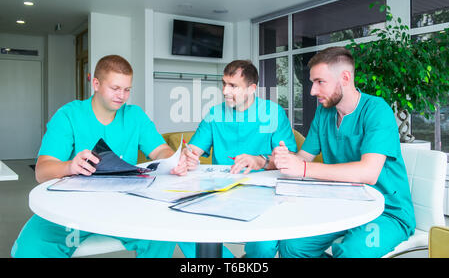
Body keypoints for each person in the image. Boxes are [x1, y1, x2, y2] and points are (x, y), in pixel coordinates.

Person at [11, 55, 177, 258]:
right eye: (115, 88)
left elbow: (160, 150)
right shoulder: (69, 115)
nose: (122, 96)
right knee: (30, 248)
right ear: (96, 84)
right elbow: (42, 171)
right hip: (72, 208)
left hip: (125, 206)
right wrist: (70, 166)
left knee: (163, 233)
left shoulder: (135, 116)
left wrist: (174, 159)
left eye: (127, 90)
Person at [272, 46, 416, 258]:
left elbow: (369, 173)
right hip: (342, 204)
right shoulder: (324, 112)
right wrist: (282, 159)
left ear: (345, 78)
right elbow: (303, 158)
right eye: (312, 82)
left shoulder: (377, 110)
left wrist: (301, 168)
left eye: (320, 82)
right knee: (292, 245)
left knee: (351, 253)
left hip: (386, 212)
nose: (312, 91)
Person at [172, 60, 298, 258]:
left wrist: (261, 160)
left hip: (262, 192)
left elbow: (289, 159)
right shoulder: (215, 114)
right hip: (219, 191)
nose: (224, 91)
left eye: (233, 86)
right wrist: (187, 157)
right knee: (181, 226)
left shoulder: (274, 113)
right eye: (224, 84)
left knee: (263, 246)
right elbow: (193, 149)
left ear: (251, 88)